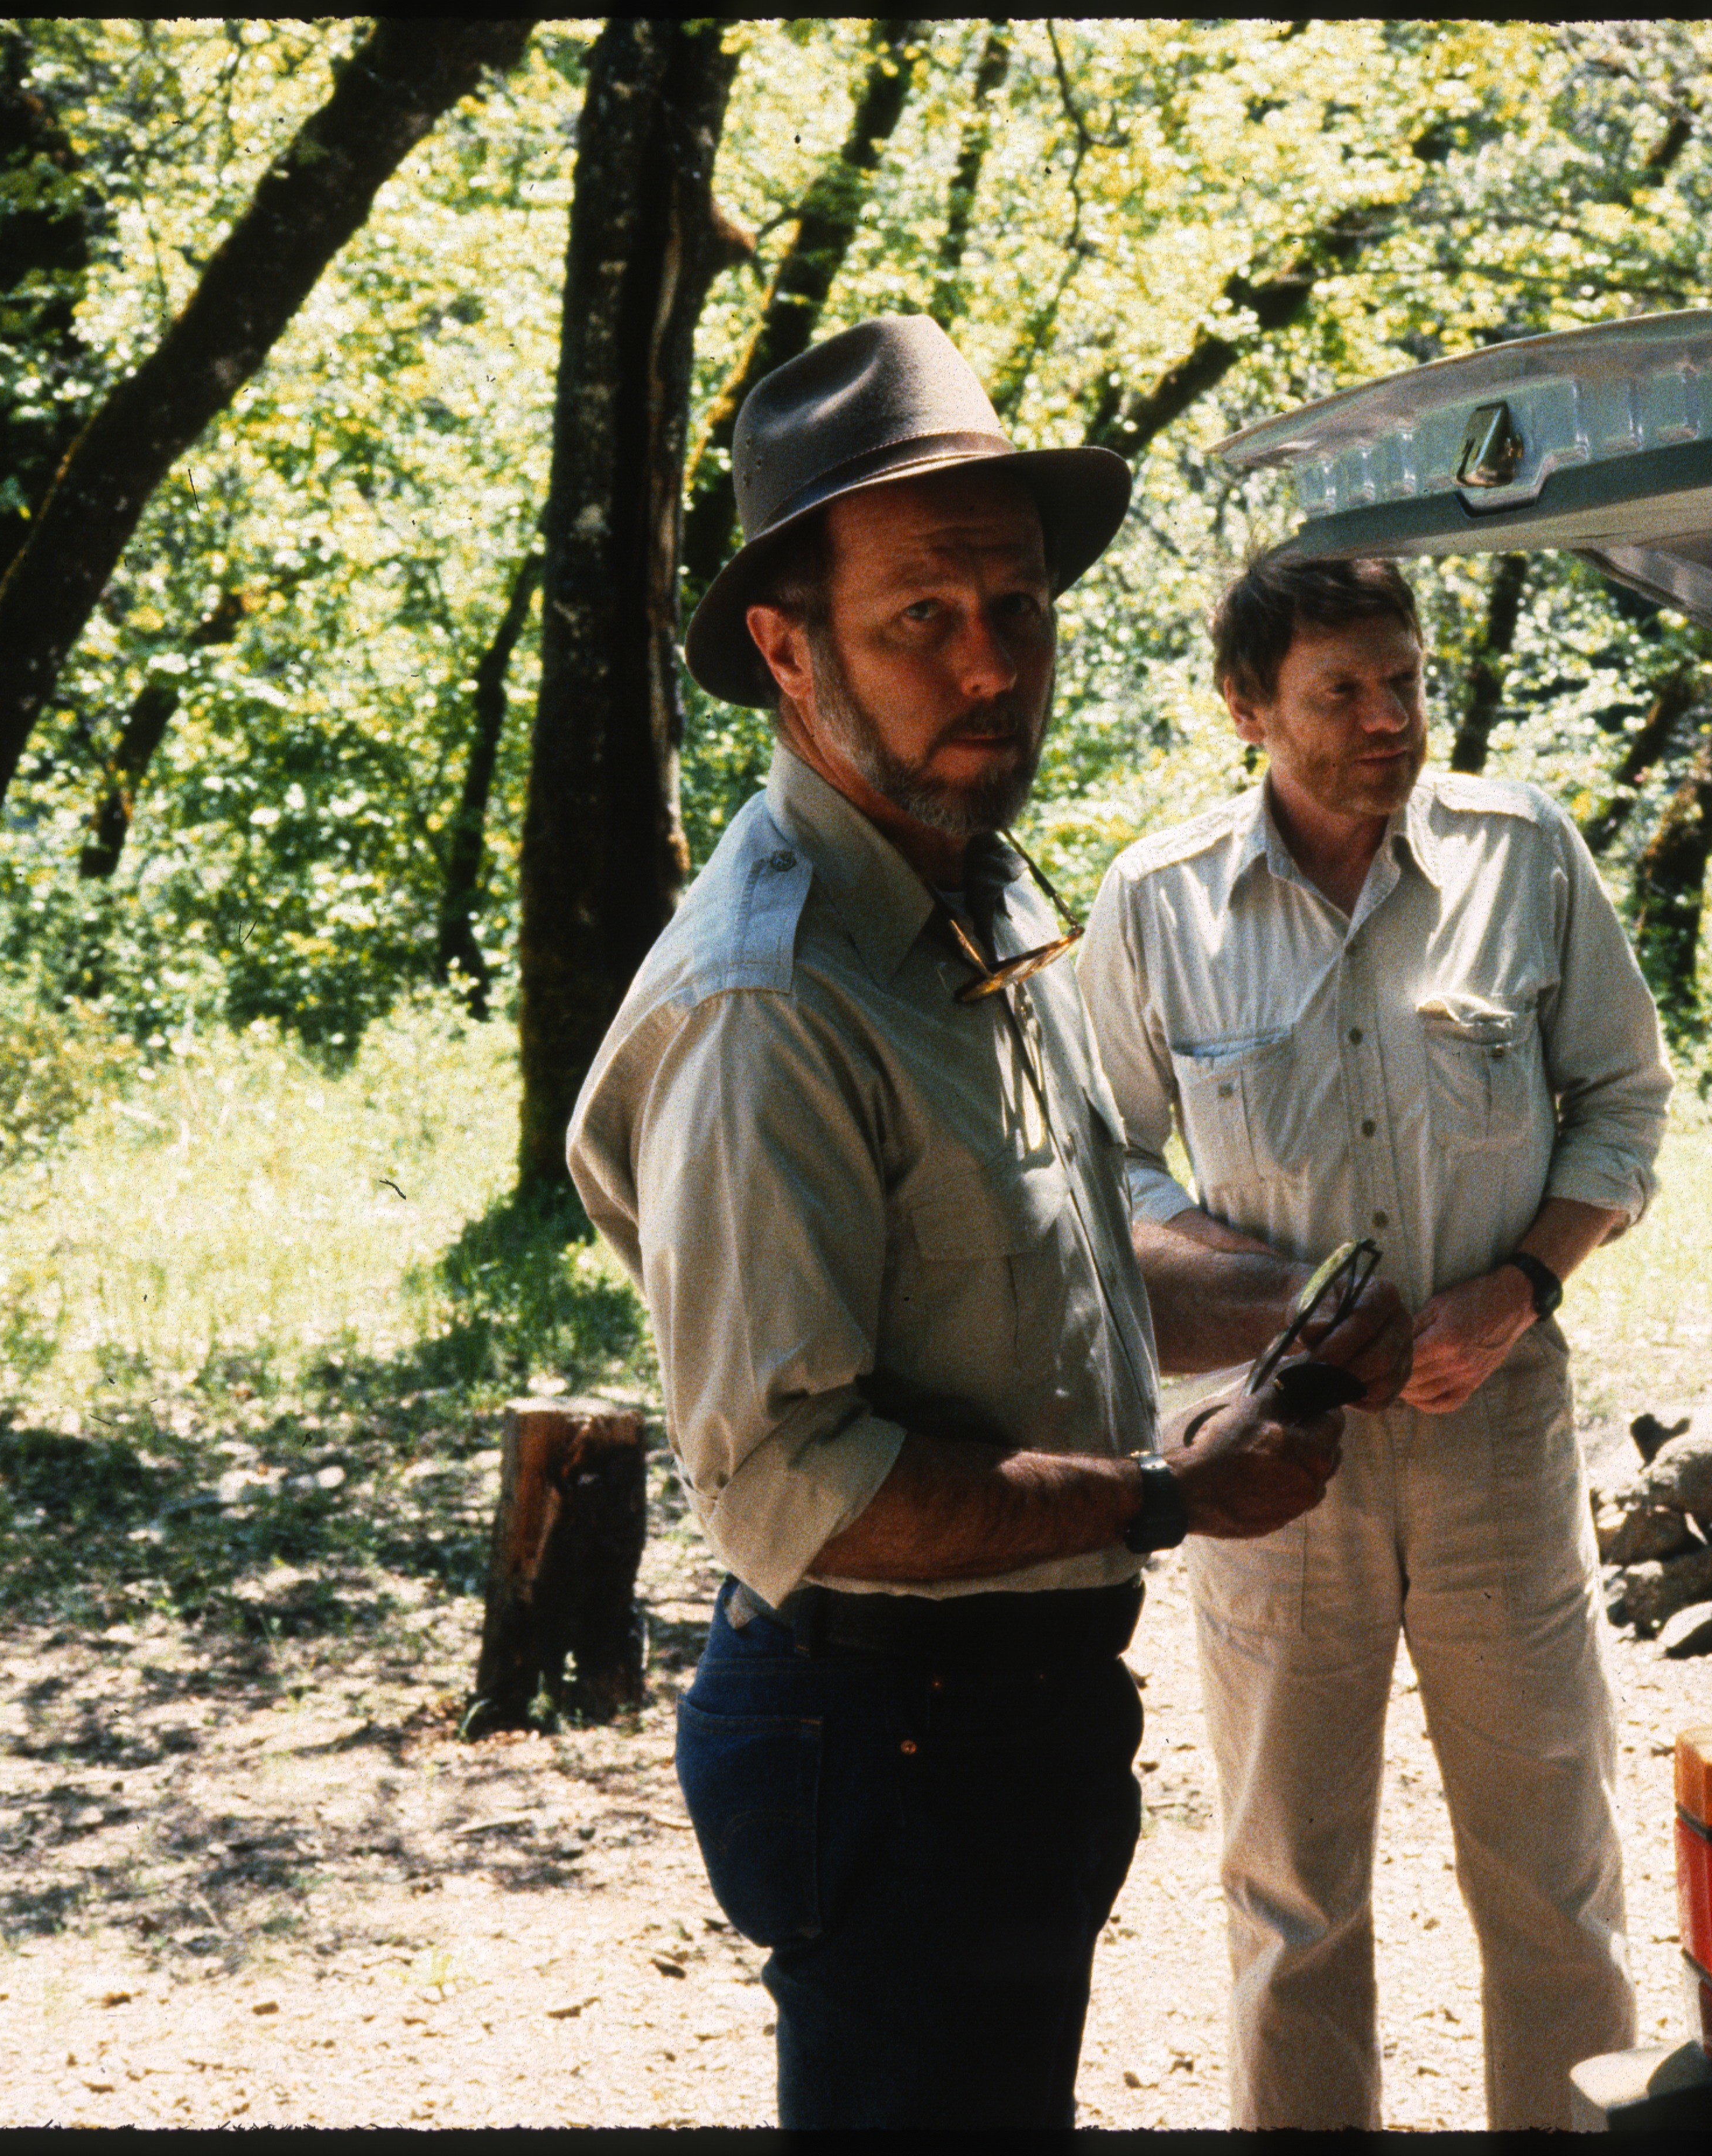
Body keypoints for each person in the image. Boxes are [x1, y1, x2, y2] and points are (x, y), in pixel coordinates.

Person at [564, 319, 1408, 2131]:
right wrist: (1170, 1492)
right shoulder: (769, 1000)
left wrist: (1294, 1307)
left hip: (1009, 1718)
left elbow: (1071, 1244)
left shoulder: (975, 888)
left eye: (1017, 607)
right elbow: (801, 1484)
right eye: (921, 617)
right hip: (882, 1731)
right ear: (787, 650)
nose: (990, 665)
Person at [1076, 549, 1676, 2129]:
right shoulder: (1158, 900)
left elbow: (1624, 1102)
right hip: (1270, 1452)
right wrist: (1266, 1293)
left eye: (1404, 680)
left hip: (1499, 1433)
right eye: (1340, 691)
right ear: (1247, 710)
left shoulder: (1522, 853)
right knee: (1291, 1891)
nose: (1389, 719)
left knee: (1557, 1874)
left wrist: (1523, 1282)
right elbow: (1097, 1159)